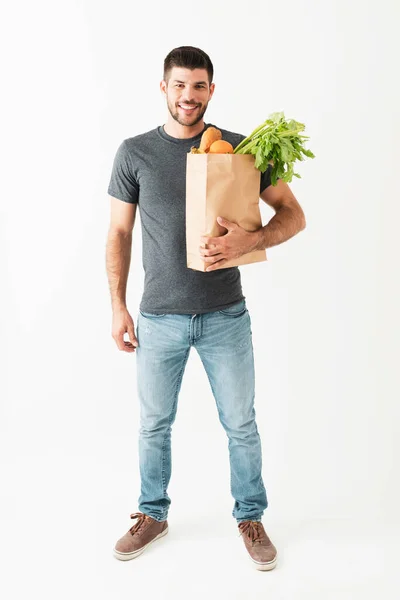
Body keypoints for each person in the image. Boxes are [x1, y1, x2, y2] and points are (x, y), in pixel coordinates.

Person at [105, 46, 306, 571]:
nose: (188, 96)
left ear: (211, 91)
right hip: (158, 317)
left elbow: (293, 214)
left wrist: (253, 239)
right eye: (179, 85)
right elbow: (120, 233)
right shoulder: (134, 153)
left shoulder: (241, 149)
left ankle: (251, 516)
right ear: (163, 88)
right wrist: (117, 306)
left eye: (198, 86)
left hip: (225, 316)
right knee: (154, 424)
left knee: (241, 423)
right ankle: (152, 513)